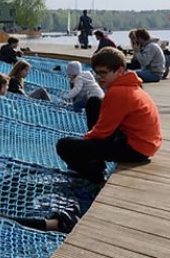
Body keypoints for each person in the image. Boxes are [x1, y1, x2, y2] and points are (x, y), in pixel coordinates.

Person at [56, 47, 163, 185]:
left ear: (119, 71)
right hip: (145, 143)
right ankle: (97, 162)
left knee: (65, 145)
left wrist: (83, 144)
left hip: (137, 149)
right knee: (94, 102)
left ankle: (96, 177)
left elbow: (102, 132)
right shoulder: (130, 85)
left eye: (103, 73)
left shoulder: (118, 93)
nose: (99, 77)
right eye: (97, 73)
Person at [65, 61, 103, 129]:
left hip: (93, 97)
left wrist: (67, 96)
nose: (68, 76)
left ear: (73, 73)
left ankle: (78, 116)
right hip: (99, 96)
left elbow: (77, 90)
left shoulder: (79, 79)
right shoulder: (86, 75)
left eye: (69, 74)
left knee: (77, 104)